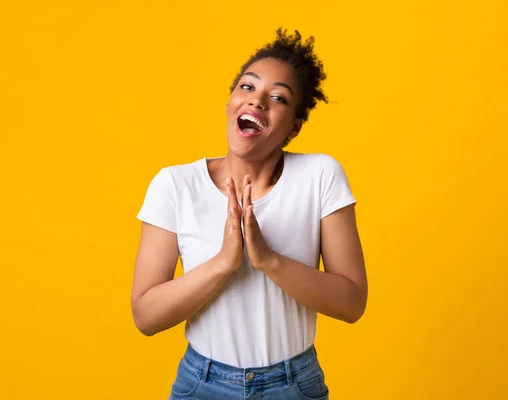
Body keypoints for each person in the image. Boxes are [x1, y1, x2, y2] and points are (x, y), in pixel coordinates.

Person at [131, 28, 368, 399]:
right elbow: (145, 316)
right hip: (203, 384)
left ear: (294, 128)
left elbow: (352, 303)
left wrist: (268, 260)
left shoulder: (320, 176)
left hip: (293, 384)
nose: (257, 101)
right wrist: (225, 262)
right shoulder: (175, 185)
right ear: (229, 104)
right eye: (247, 87)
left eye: (278, 97)